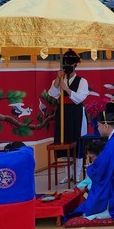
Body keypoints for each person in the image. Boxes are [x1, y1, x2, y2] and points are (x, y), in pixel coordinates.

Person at [48, 49, 89, 183]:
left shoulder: (82, 81)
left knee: (77, 143)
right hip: (63, 113)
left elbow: (80, 98)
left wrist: (66, 89)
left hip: (76, 113)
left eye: (70, 64)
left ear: (75, 65)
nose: (67, 66)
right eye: (65, 63)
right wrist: (57, 79)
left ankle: (77, 174)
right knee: (63, 141)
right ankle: (68, 174)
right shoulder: (61, 79)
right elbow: (52, 94)